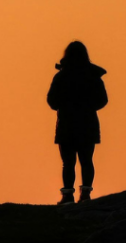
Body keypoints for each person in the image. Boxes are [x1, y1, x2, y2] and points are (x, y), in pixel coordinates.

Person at [46, 41, 107, 204]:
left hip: (67, 124)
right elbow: (103, 100)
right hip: (88, 124)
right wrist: (88, 107)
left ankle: (67, 196)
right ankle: (86, 193)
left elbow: (52, 101)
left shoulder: (61, 77)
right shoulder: (93, 76)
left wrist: (65, 105)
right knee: (87, 160)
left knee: (68, 163)